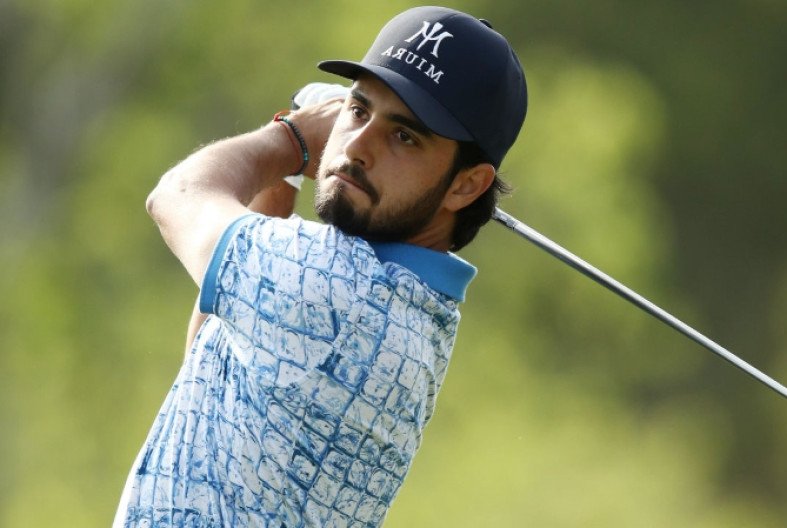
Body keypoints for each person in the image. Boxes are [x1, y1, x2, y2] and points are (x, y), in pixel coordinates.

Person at [114, 6, 527, 528]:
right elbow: (213, 349)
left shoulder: (335, 293)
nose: (356, 147)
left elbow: (177, 196)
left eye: (404, 136)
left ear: (467, 184)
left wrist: (290, 140)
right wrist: (286, 176)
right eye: (358, 110)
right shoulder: (416, 309)